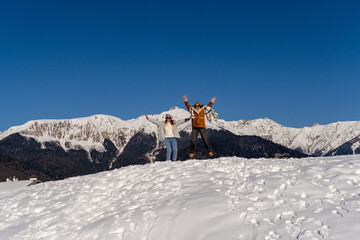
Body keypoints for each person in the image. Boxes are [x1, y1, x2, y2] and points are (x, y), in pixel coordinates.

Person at [182, 94, 216, 158]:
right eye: (196, 106)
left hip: (202, 126)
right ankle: (192, 152)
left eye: (198, 105)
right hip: (195, 127)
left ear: (200, 106)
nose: (197, 106)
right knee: (193, 140)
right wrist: (185, 99)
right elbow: (187, 106)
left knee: (205, 139)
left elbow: (208, 106)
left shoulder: (203, 110)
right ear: (194, 106)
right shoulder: (192, 110)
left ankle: (210, 151)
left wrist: (212, 100)